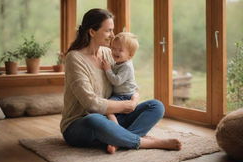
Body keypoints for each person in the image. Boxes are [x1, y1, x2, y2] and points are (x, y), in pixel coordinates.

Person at [60, 8, 181, 154]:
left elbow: (128, 80)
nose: (112, 35)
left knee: (156, 106)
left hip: (113, 117)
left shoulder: (109, 52)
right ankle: (145, 142)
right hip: (81, 124)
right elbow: (91, 104)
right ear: (92, 32)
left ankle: (117, 140)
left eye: (113, 30)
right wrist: (126, 105)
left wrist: (135, 98)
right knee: (94, 118)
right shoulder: (74, 58)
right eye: (108, 31)